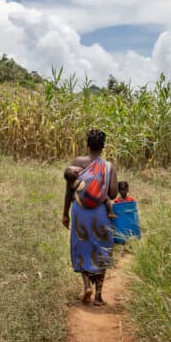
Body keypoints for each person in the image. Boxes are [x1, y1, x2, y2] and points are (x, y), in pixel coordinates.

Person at [62, 129, 118, 306]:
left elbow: (69, 190)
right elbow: (114, 194)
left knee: (82, 247)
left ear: (87, 145)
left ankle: (87, 286)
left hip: (80, 212)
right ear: (103, 147)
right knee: (101, 249)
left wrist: (65, 214)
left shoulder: (77, 162)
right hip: (101, 213)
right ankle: (99, 296)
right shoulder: (109, 167)